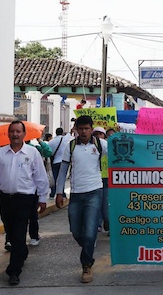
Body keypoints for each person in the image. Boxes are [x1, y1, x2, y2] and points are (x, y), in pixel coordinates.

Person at [0, 120, 49, 285]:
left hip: (25, 199)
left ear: (24, 134)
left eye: (18, 132)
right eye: (12, 131)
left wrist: (42, 198)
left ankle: (14, 271)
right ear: (8, 134)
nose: (15, 134)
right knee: (11, 233)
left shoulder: (32, 153)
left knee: (19, 234)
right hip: (6, 199)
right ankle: (22, 252)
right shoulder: (0, 153)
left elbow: (40, 177)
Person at [55, 116, 108, 283]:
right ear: (76, 129)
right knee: (76, 231)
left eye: (87, 128)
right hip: (76, 194)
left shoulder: (100, 144)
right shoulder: (70, 146)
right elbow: (63, 171)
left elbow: (120, 150)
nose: (84, 131)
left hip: (95, 192)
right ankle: (88, 250)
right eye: (81, 128)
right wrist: (59, 192)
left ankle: (86, 265)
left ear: (91, 129)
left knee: (91, 231)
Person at [92, 126, 109, 233]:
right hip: (95, 179)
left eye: (100, 134)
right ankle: (97, 224)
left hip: (107, 179)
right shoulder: (90, 148)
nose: (98, 136)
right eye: (96, 134)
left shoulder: (108, 148)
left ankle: (108, 222)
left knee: (106, 204)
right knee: (95, 204)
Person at [47, 128, 69, 199]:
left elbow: (49, 152)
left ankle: (52, 193)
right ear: (62, 132)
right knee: (62, 178)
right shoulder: (65, 139)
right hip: (64, 162)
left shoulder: (51, 141)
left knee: (54, 178)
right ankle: (62, 193)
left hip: (55, 162)